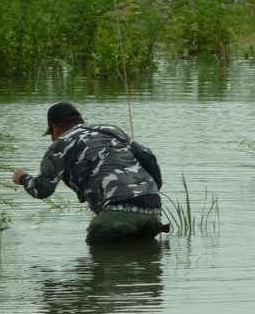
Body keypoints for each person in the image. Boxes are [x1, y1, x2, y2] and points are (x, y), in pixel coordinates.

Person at [12, 102, 169, 243]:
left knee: (95, 267)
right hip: (153, 213)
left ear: (55, 127)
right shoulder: (111, 130)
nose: (52, 139)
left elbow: (42, 190)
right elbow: (149, 159)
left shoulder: (61, 143)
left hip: (116, 215)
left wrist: (23, 178)